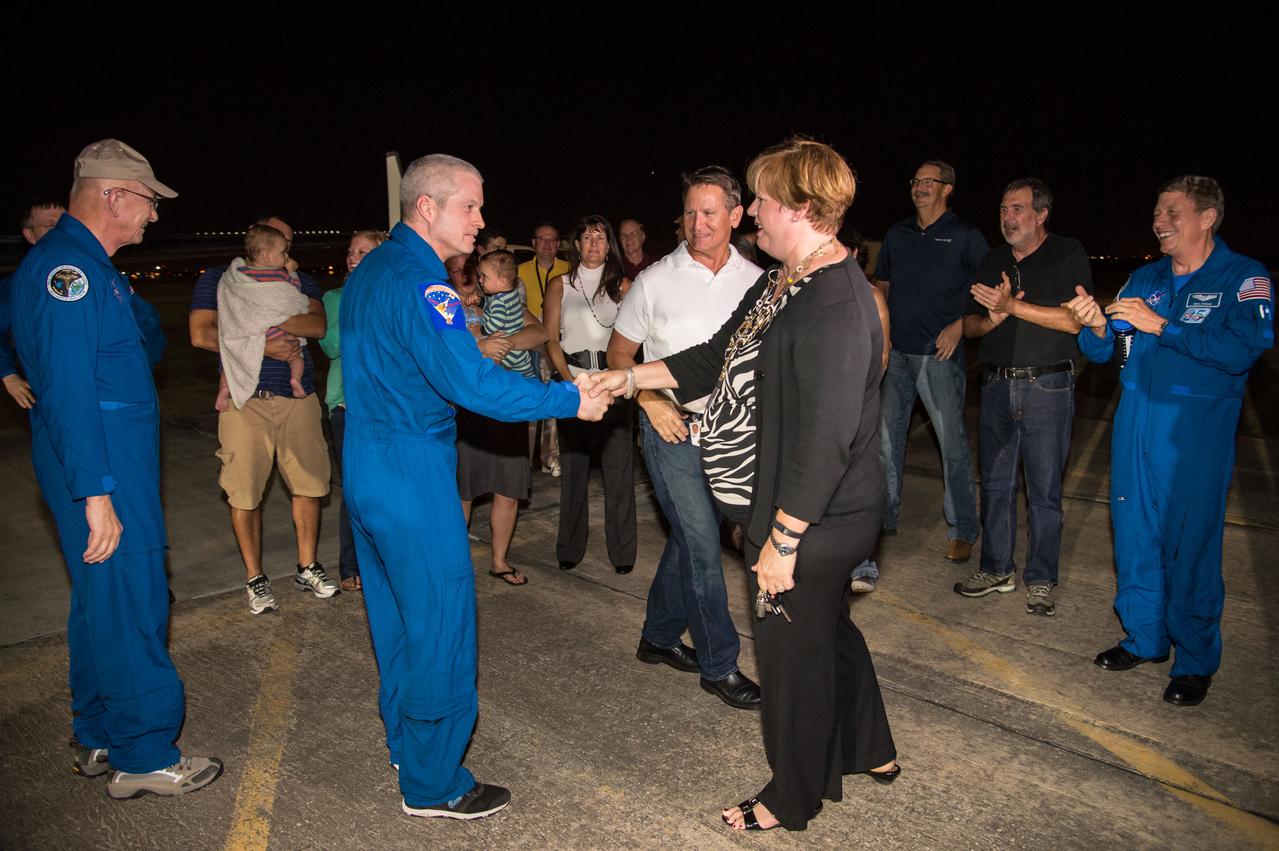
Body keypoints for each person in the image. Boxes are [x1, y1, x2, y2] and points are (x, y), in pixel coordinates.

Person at [590, 138, 898, 832]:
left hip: (816, 511)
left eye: (759, 197)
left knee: (790, 653)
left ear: (801, 207)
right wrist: (631, 377)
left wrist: (783, 540)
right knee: (829, 625)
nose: (749, 208)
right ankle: (869, 744)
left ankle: (791, 795)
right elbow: (710, 358)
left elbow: (825, 436)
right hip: (801, 501)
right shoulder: (785, 278)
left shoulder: (836, 301)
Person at [340, 153, 611, 820]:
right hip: (410, 469)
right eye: (471, 205)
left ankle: (408, 747)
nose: (483, 220)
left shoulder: (374, 267)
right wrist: (567, 399)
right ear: (427, 207)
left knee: (397, 622)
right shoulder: (421, 282)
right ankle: (434, 784)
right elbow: (472, 383)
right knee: (439, 621)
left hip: (366, 464)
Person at [8, 139, 222, 797]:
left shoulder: (82, 266)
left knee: (100, 601)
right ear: (115, 196)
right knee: (133, 598)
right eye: (149, 201)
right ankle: (144, 752)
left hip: (101, 458)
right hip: (103, 465)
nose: (154, 216)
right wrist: (97, 492)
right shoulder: (67, 271)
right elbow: (70, 388)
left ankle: (99, 730)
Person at [1067, 176, 1272, 707]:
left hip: (1193, 432)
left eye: (1173, 212)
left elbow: (1244, 347)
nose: (1160, 221)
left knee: (1190, 545)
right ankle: (1145, 638)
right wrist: (1093, 325)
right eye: (1157, 212)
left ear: (1208, 217)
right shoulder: (1145, 277)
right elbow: (1105, 351)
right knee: (1135, 530)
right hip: (1136, 420)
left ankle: (1196, 659)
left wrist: (1164, 327)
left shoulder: (1242, 277)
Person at [608, 166, 762, 709]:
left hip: (732, 435)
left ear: (736, 215)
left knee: (687, 539)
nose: (698, 223)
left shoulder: (757, 281)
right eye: (691, 212)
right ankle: (719, 664)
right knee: (701, 545)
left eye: (710, 212)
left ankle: (657, 635)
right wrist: (649, 401)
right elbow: (619, 356)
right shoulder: (654, 279)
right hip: (671, 429)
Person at [189, 214, 335, 614]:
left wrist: (254, 317)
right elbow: (201, 334)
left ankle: (308, 566)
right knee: (244, 489)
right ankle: (255, 576)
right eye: (281, 242)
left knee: (308, 483)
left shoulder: (300, 281)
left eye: (291, 243)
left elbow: (317, 326)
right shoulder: (222, 280)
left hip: (297, 398)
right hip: (244, 397)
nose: (289, 252)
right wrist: (261, 344)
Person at [959, 178, 1092, 616]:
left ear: (1041, 214)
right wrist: (993, 319)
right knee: (995, 485)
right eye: (1002, 208)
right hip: (996, 385)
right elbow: (971, 326)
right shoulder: (992, 260)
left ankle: (1040, 578)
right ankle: (996, 568)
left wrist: (1013, 307)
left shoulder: (1067, 254)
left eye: (1017, 208)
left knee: (1044, 490)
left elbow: (1074, 322)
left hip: (1047, 387)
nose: (1007, 217)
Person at [876, 160, 985, 562]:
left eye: (929, 181)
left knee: (952, 444)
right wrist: (882, 334)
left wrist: (959, 323)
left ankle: (963, 529)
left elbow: (985, 289)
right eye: (916, 180)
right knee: (886, 444)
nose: (920, 186)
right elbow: (883, 285)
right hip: (897, 354)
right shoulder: (897, 234)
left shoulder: (965, 236)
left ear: (947, 189)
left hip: (939, 357)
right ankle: (884, 517)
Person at [543, 216, 637, 574]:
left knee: (619, 475)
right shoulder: (560, 285)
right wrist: (568, 382)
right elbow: (551, 340)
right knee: (573, 472)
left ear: (608, 244)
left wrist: (623, 379)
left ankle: (623, 554)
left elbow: (636, 340)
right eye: (587, 237)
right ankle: (569, 547)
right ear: (577, 245)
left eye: (600, 237)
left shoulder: (624, 286)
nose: (594, 244)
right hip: (574, 387)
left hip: (614, 389)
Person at [3, 201, 165, 408]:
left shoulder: (97, 272)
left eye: (64, 224)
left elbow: (147, 324)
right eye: (50, 226)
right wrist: (8, 375)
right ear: (29, 235)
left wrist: (134, 373)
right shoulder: (21, 284)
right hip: (63, 400)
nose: (59, 231)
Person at [455, 249, 549, 586]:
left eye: (482, 276)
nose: (476, 281)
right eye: (471, 275)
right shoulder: (450, 307)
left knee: (508, 490)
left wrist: (503, 343)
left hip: (507, 408)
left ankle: (499, 561)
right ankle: (455, 563)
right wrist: (479, 343)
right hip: (473, 409)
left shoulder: (504, 304)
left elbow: (540, 334)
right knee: (464, 489)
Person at [319, 229, 387, 592]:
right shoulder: (334, 298)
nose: (352, 255)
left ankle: (383, 558)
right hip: (346, 405)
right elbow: (330, 346)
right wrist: (356, 303)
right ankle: (351, 563)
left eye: (362, 251)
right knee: (355, 488)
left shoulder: (390, 296)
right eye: (350, 250)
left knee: (385, 487)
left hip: (385, 406)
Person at [213, 224, 308, 410]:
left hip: (249, 330)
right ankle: (295, 379)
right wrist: (292, 272)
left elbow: (231, 293)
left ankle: (224, 388)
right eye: (283, 252)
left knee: (232, 358)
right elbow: (295, 297)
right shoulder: (281, 276)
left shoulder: (238, 274)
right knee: (297, 354)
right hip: (278, 333)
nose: (287, 256)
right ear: (266, 255)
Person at [517, 222, 569, 320]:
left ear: (558, 244)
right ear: (533, 243)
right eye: (542, 239)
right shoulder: (519, 271)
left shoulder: (570, 270)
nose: (547, 243)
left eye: (552, 239)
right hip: (531, 331)